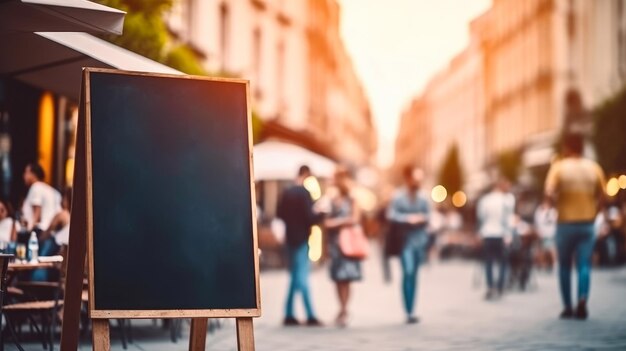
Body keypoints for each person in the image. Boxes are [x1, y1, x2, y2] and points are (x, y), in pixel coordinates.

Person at [545, 132, 606, 320]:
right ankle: (582, 300)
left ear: (566, 148)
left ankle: (567, 306)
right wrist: (595, 211)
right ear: (582, 148)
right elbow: (603, 195)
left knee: (564, 265)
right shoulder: (594, 168)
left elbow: (548, 192)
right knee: (584, 264)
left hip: (565, 223)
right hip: (587, 223)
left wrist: (555, 205)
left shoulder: (559, 168)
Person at [276, 165, 322, 327]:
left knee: (295, 276)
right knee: (302, 277)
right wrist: (320, 212)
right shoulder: (304, 193)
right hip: (302, 238)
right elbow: (310, 218)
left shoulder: (286, 192)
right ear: (306, 174)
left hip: (289, 239)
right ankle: (310, 315)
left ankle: (289, 313)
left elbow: (279, 213)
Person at [387, 166, 430, 324]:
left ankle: (412, 309)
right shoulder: (398, 196)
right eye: (416, 179)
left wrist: (422, 218)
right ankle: (408, 310)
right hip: (404, 240)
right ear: (408, 179)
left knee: (414, 275)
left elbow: (429, 215)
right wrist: (407, 219)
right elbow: (391, 214)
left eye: (420, 179)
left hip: (419, 240)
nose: (418, 182)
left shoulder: (424, 197)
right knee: (408, 272)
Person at [324, 167, 362, 327]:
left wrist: (336, 223)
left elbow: (355, 219)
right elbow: (326, 222)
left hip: (348, 243)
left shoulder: (352, 199)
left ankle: (344, 309)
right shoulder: (331, 200)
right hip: (334, 243)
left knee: (346, 277)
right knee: (338, 278)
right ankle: (342, 308)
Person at [476, 177, 515, 300]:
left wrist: (481, 232)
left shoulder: (485, 200)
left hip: (488, 233)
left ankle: (490, 286)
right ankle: (500, 286)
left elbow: (481, 217)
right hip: (501, 234)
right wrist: (509, 234)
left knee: (489, 261)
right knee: (503, 261)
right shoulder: (506, 201)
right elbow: (508, 220)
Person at [22, 163, 61, 280]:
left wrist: (28, 231)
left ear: (33, 174)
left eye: (26, 172)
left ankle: (34, 295)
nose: (23, 176)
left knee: (37, 265)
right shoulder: (53, 191)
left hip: (40, 234)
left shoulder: (36, 187)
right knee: (45, 266)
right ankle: (45, 294)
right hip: (54, 235)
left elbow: (36, 215)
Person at [534, 197, 558, 270]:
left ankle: (554, 264)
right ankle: (542, 264)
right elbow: (537, 222)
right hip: (542, 233)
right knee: (542, 250)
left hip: (550, 233)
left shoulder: (553, 211)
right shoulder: (539, 211)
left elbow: (555, 222)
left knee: (551, 249)